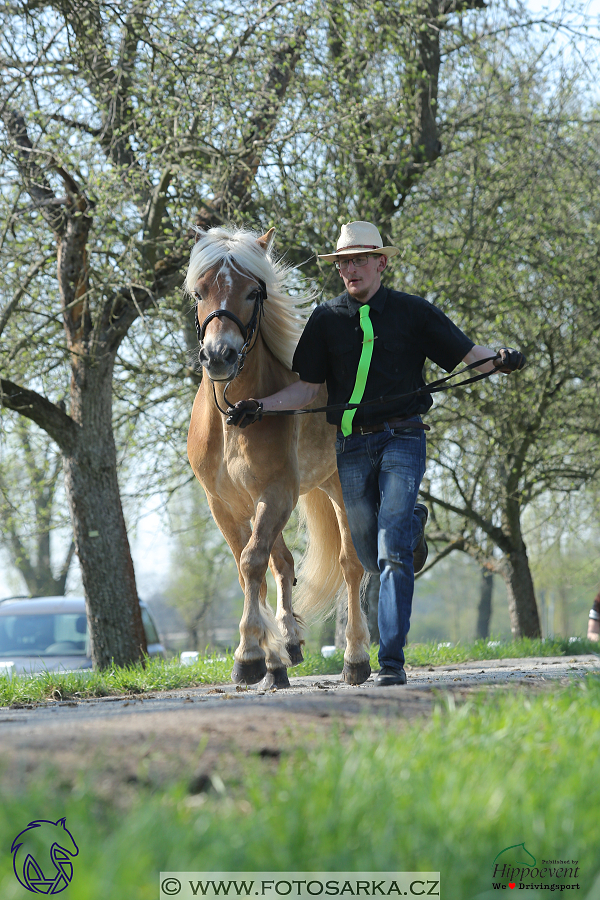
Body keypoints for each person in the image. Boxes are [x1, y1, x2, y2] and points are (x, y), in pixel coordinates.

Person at [227, 221, 525, 685]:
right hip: (351, 446)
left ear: (381, 263)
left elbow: (467, 353)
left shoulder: (413, 313)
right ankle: (410, 523)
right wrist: (258, 406)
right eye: (344, 262)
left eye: (360, 260)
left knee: (391, 555)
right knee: (368, 553)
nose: (351, 269)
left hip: (402, 440)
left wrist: (500, 360)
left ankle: (392, 662)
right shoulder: (326, 320)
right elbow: (306, 389)